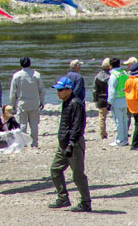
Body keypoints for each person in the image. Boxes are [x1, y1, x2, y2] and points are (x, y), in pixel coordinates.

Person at [50, 75, 90, 211]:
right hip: (63, 144)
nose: (58, 92)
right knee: (55, 169)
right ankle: (63, 198)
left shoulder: (76, 103)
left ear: (69, 90)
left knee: (78, 174)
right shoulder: (66, 102)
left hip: (73, 145)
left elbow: (78, 126)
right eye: (57, 90)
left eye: (61, 90)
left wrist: (71, 144)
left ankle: (85, 202)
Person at [10, 56, 45, 149]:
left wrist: (13, 105)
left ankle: (23, 143)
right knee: (34, 124)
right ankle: (34, 143)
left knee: (22, 124)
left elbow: (13, 92)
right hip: (34, 102)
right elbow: (41, 90)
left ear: (21, 64)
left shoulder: (17, 75)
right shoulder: (37, 75)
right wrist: (42, 102)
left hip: (22, 102)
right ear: (30, 63)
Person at [108, 57, 130, 146]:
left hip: (117, 101)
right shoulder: (124, 73)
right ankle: (125, 139)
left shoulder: (114, 76)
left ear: (110, 66)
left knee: (118, 121)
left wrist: (109, 102)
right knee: (125, 120)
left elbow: (111, 91)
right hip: (125, 99)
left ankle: (120, 140)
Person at [93, 58, 112, 141]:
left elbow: (95, 90)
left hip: (101, 98)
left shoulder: (97, 76)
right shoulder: (112, 76)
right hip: (110, 98)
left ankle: (103, 133)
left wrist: (95, 100)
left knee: (102, 118)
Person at [126, 62, 138, 150]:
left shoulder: (129, 80)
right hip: (137, 105)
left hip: (131, 105)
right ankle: (135, 144)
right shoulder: (136, 81)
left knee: (136, 124)